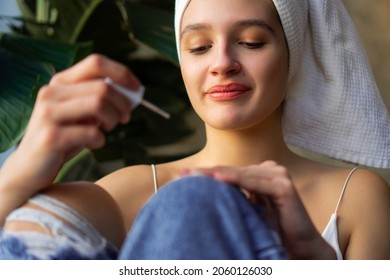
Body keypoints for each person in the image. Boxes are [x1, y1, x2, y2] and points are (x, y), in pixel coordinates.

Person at [0, 0, 390, 260]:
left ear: (292, 54)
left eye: (251, 42)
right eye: (199, 47)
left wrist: (310, 256)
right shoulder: (131, 192)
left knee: (193, 201)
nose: (222, 63)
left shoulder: (355, 197)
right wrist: (17, 174)